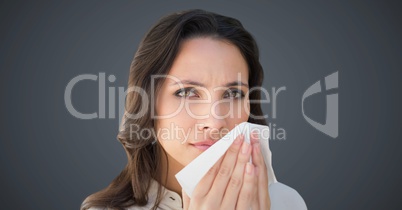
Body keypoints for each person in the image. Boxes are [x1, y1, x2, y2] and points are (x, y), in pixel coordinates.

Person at [82, 9, 307, 210]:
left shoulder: (285, 202)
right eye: (187, 92)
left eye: (233, 94)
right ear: (148, 103)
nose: (216, 121)